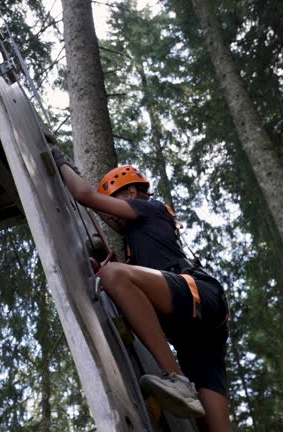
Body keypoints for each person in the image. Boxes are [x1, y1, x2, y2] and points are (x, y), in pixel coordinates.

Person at [51, 148, 232, 432]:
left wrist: (59, 161)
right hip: (196, 333)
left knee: (114, 275)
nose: (111, 216)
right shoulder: (142, 244)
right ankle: (181, 380)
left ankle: (175, 378)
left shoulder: (150, 209)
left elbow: (85, 196)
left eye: (115, 201)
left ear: (132, 193)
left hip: (196, 294)